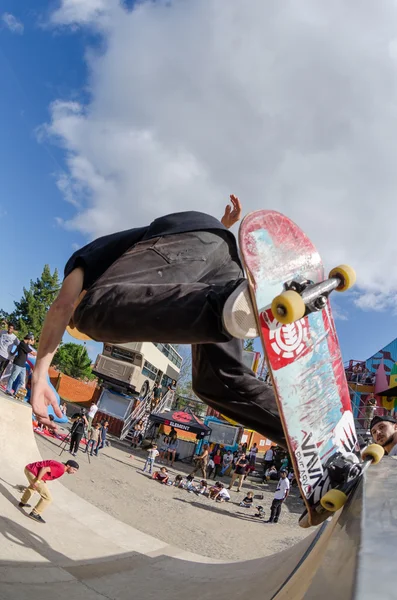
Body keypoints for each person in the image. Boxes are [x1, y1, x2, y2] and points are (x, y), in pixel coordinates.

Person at [28, 195, 283, 446]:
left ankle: (233, 305)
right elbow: (200, 255)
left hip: (193, 243)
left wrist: (40, 376)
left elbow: (62, 307)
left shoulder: (82, 264)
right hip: (222, 265)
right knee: (217, 383)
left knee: (91, 312)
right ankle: (296, 430)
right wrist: (223, 226)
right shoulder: (129, 274)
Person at [19, 459, 79, 523]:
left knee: (32, 487)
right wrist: (38, 481)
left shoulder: (60, 466)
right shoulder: (61, 469)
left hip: (28, 469)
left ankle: (22, 502)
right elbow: (44, 469)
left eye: (75, 471)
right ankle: (35, 513)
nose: (74, 472)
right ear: (68, 466)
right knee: (47, 498)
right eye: (74, 469)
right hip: (33, 472)